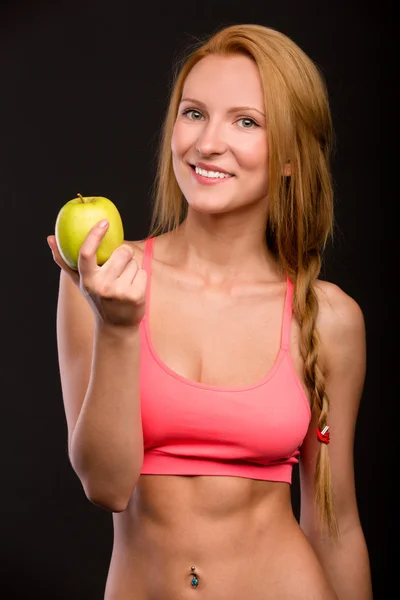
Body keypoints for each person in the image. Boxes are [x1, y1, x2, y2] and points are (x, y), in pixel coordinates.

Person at [47, 23, 373, 600]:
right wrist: (118, 328)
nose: (207, 143)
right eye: (194, 113)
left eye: (246, 121)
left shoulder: (328, 318)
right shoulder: (103, 279)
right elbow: (106, 485)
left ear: (293, 157)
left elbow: (335, 523)